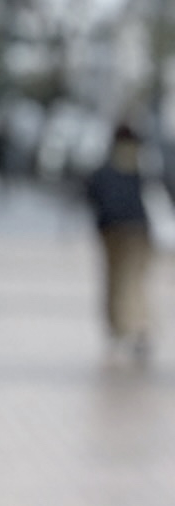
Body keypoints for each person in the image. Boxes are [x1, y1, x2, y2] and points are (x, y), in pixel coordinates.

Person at [85, 125, 157, 364]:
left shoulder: (108, 163)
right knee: (134, 280)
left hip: (111, 229)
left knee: (115, 279)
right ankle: (138, 325)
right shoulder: (144, 163)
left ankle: (120, 327)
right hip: (139, 228)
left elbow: (91, 191)